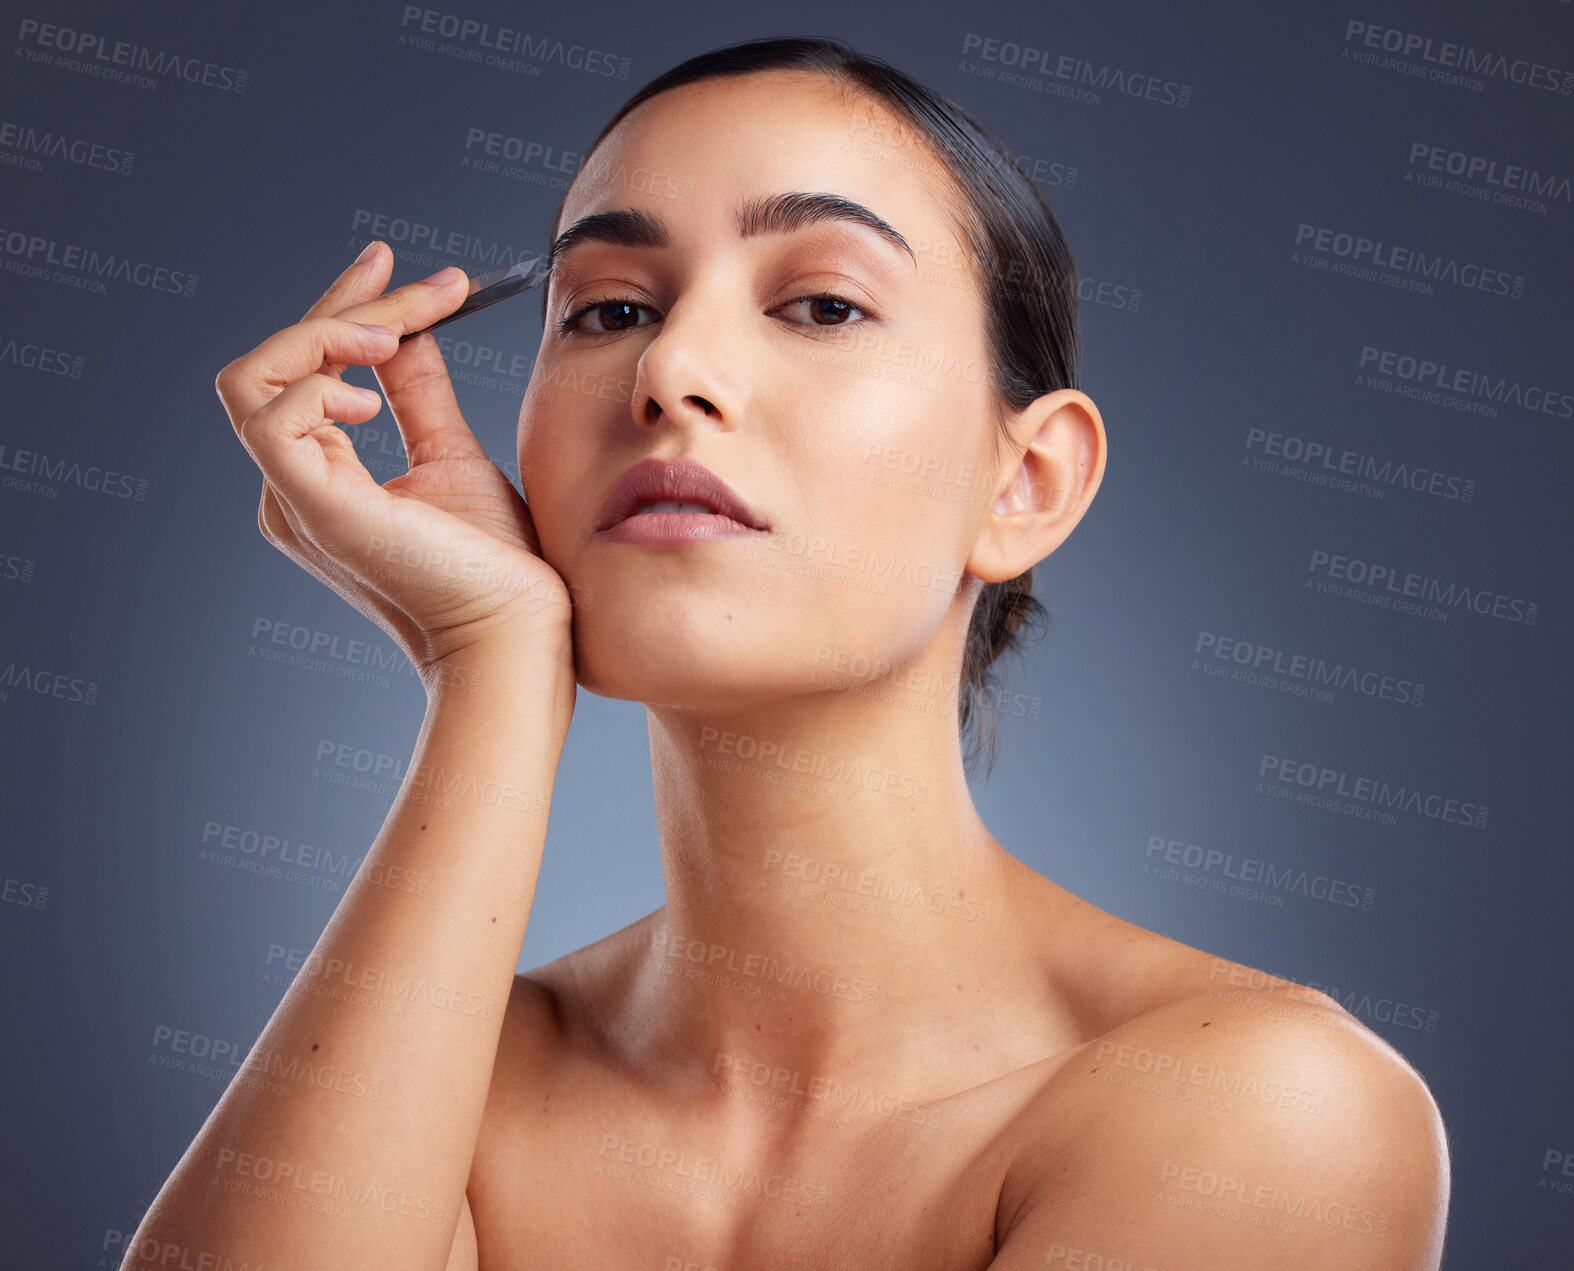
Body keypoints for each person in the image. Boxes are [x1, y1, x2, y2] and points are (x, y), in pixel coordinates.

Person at [131, 36, 1449, 1271]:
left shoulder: (1262, 1112)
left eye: (819, 303)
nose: (674, 368)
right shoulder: (431, 1085)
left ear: (1027, 483)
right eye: (605, 310)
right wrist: (488, 660)